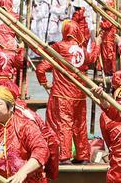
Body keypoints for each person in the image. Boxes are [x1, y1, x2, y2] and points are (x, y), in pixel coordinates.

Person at [36, 19, 96, 163]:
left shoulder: (59, 46)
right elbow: (92, 58)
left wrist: (44, 83)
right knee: (80, 125)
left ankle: (64, 156)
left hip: (62, 94)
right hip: (80, 94)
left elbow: (41, 68)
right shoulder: (82, 50)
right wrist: (96, 44)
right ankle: (82, 155)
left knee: (64, 124)